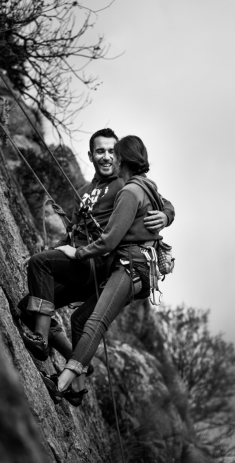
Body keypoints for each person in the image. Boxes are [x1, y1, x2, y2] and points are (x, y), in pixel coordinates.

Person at [17, 129, 175, 372]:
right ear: (91, 155)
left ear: (120, 157)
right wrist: (55, 251)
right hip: (77, 265)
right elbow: (73, 234)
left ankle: (40, 340)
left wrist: (165, 216)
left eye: (112, 151)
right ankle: (78, 363)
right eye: (100, 151)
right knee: (28, 307)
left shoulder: (126, 184)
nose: (106, 156)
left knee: (41, 264)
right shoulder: (82, 192)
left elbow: (162, 202)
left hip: (97, 263)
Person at [43, 135, 167, 402]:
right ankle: (77, 389)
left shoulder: (129, 191)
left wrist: (78, 253)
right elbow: (162, 205)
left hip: (131, 267)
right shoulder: (148, 186)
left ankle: (62, 383)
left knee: (95, 321)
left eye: (115, 154)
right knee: (80, 319)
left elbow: (110, 239)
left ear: (122, 159)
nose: (111, 158)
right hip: (139, 268)